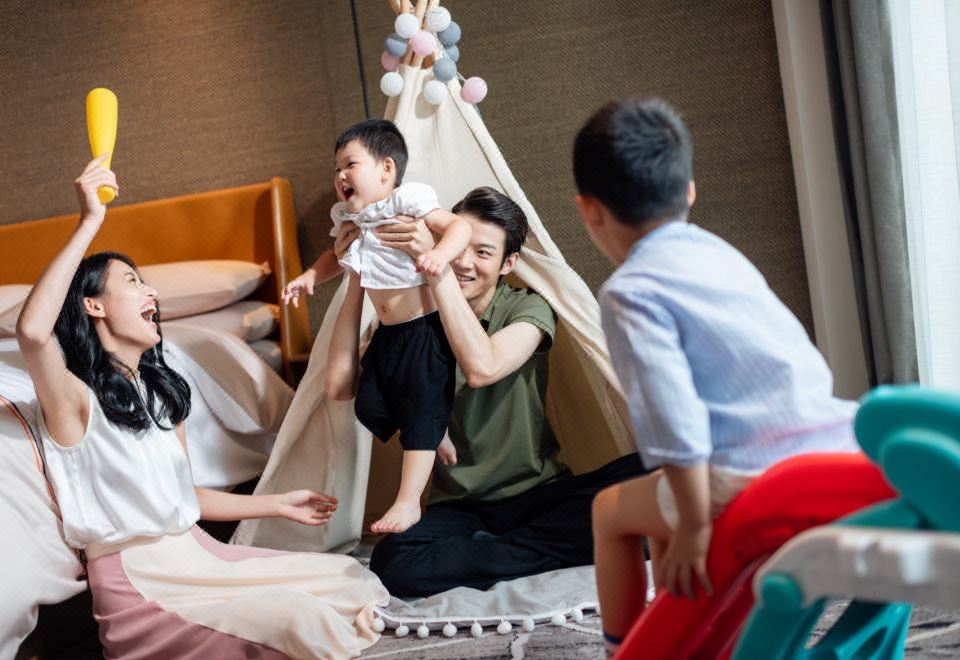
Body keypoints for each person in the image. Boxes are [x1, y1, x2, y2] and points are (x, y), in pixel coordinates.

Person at [16, 156, 389, 660]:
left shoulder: (161, 395)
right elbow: (32, 332)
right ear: (93, 305)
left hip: (196, 555)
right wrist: (89, 221)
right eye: (132, 281)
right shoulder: (73, 398)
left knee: (345, 578)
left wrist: (278, 503)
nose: (151, 291)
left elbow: (186, 496)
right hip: (140, 583)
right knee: (302, 622)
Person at [572, 97, 861, 655]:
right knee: (659, 495)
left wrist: (695, 525)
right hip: (827, 451)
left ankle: (626, 649)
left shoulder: (630, 291)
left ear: (589, 211)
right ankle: (680, 629)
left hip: (750, 475)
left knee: (608, 511)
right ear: (689, 191)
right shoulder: (718, 254)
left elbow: (671, 418)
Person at [332, 186, 650, 597]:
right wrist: (356, 273)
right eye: (459, 245)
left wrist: (437, 270)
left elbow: (482, 367)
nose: (463, 262)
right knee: (393, 561)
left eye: (482, 253)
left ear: (508, 263)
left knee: (658, 471)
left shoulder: (527, 306)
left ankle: (507, 549)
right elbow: (342, 385)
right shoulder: (411, 318)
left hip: (540, 493)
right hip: (462, 509)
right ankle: (543, 546)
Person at [317, 119, 471, 535]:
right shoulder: (350, 219)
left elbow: (459, 227)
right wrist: (309, 278)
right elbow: (334, 258)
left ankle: (408, 501)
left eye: (350, 164)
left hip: (423, 329)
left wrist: (440, 254)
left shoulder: (407, 200)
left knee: (419, 404)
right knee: (371, 403)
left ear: (386, 169)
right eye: (336, 169)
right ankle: (432, 425)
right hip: (388, 333)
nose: (340, 176)